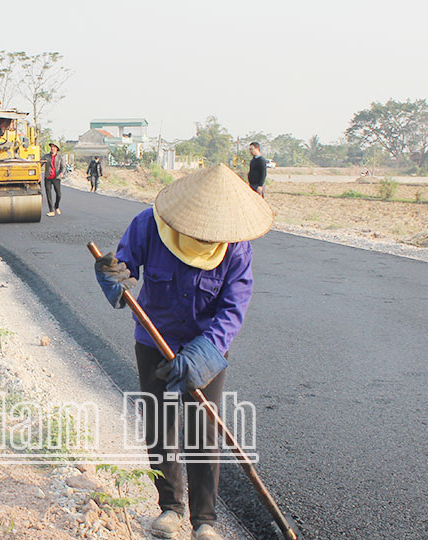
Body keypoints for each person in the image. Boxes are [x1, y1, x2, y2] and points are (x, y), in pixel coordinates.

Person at [94, 165, 273, 540]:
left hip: (205, 346)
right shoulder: (149, 225)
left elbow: (233, 306)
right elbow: (124, 269)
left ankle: (204, 520)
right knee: (160, 424)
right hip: (154, 339)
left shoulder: (236, 247)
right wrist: (115, 278)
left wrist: (206, 351)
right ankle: (170, 508)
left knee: (203, 430)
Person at [43, 142, 66, 216]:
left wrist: (62, 173)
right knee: (48, 194)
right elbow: (40, 163)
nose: (52, 148)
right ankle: (51, 210)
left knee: (58, 194)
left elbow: (63, 166)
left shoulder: (60, 157)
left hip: (56, 178)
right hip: (48, 177)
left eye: (54, 147)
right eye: (51, 147)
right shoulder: (46, 156)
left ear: (57, 149)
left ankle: (56, 206)